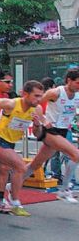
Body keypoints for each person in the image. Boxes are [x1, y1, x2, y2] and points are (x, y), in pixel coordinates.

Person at [0, 80, 46, 216]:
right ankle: (14, 201)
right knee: (20, 167)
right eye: (36, 96)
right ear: (25, 94)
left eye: (41, 96)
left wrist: (38, 125)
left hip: (11, 142)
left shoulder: (37, 110)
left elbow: (37, 134)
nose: (39, 99)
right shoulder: (11, 103)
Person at [22, 68, 79, 203]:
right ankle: (64, 190)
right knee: (75, 154)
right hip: (50, 130)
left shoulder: (77, 95)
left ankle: (13, 182)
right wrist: (43, 120)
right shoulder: (56, 92)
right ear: (69, 80)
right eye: (77, 83)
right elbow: (36, 104)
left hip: (63, 130)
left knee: (36, 164)